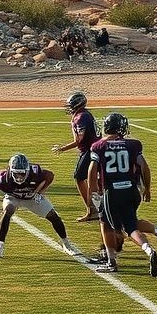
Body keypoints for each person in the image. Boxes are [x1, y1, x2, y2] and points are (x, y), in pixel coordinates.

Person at [87, 112, 157, 277]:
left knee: (106, 225)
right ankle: (149, 250)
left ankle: (111, 261)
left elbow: (92, 171)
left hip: (112, 193)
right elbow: (144, 166)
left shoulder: (98, 146)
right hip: (131, 190)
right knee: (130, 226)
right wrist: (148, 188)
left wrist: (92, 191)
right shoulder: (133, 144)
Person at [0, 153, 80, 260]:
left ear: (28, 171)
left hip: (32, 197)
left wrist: (40, 192)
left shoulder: (35, 173)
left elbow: (50, 175)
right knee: (7, 211)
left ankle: (66, 244)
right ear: (10, 171)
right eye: (16, 174)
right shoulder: (4, 178)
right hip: (13, 197)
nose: (19, 177)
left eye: (22, 174)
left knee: (53, 216)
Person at [51, 91, 100, 221]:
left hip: (90, 150)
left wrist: (62, 148)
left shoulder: (81, 117)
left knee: (79, 178)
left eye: (71, 104)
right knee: (94, 180)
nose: (69, 107)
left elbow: (79, 140)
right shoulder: (84, 114)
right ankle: (97, 209)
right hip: (94, 149)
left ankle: (91, 210)